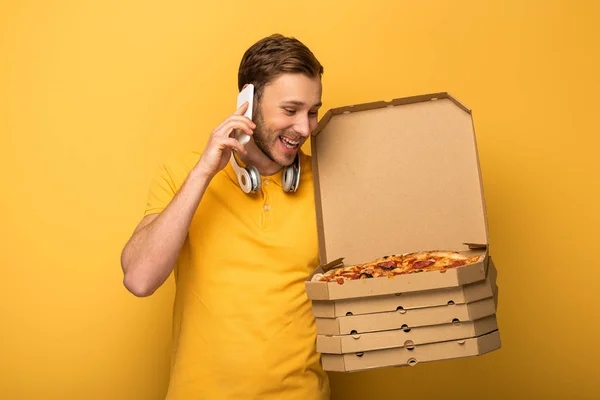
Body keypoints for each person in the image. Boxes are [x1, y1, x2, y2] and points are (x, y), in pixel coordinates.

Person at [120, 34, 330, 399]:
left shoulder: (331, 182)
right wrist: (204, 173)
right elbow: (139, 279)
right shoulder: (183, 173)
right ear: (247, 104)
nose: (305, 128)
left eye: (312, 112)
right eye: (291, 110)